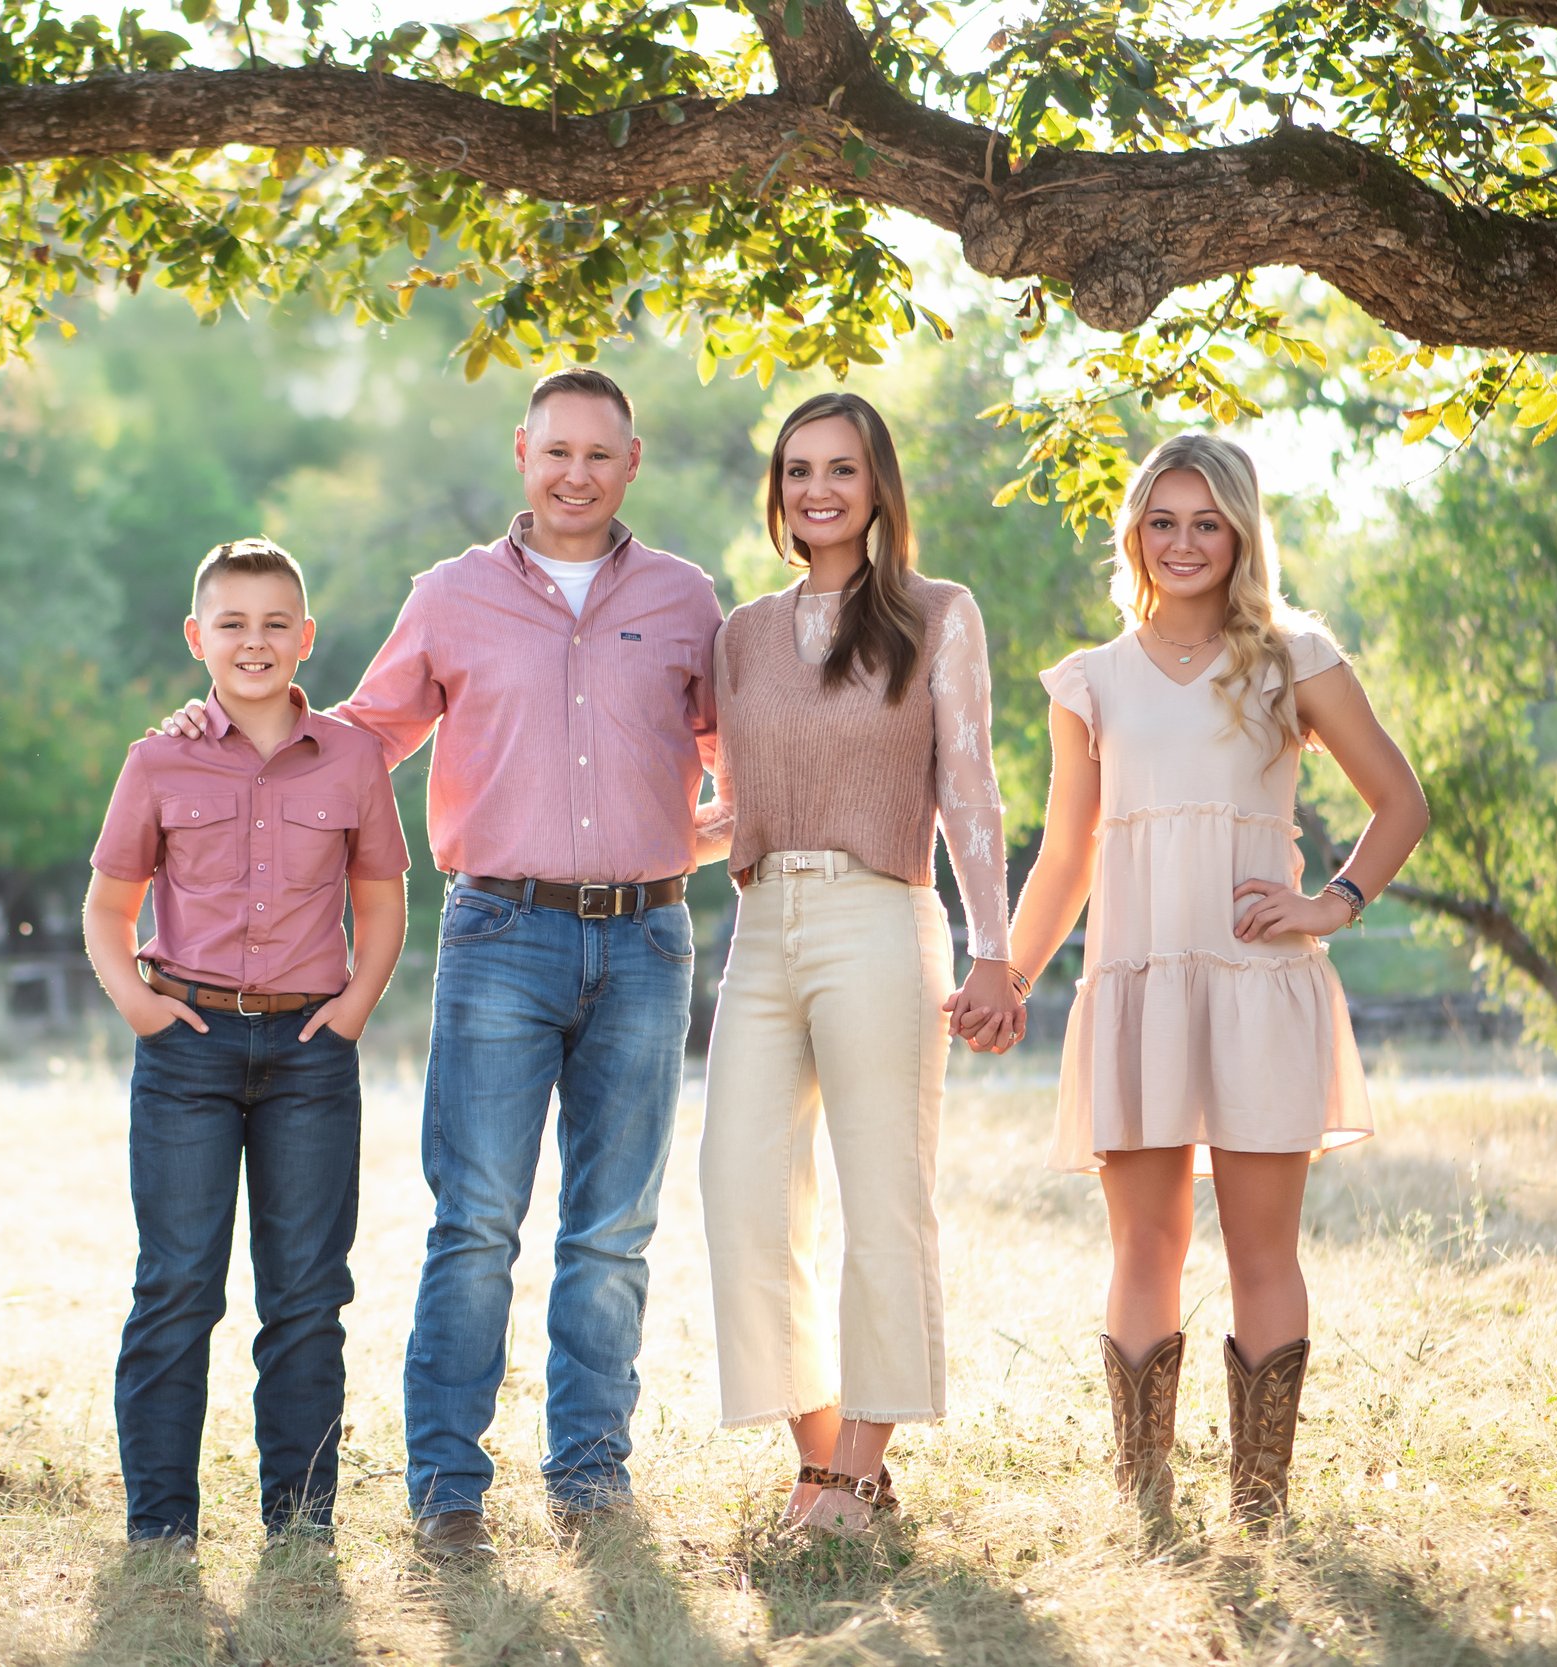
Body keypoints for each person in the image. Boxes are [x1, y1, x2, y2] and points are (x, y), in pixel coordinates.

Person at [164, 369, 722, 1564]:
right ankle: (447, 1491)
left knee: (613, 1227)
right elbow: (360, 737)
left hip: (647, 941)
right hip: (499, 936)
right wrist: (220, 730)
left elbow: (746, 751)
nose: (576, 473)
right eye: (556, 449)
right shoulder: (452, 595)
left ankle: (589, 1478)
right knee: (474, 1223)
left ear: (632, 462)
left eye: (600, 453)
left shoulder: (684, 599)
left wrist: (702, 834)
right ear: (522, 452)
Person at [1000, 434, 1427, 1527]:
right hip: (1137, 986)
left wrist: (1333, 900)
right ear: (1134, 533)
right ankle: (1144, 1500)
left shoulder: (1294, 658)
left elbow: (1401, 802)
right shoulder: (1090, 681)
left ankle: (1260, 1504)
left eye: (1206, 523)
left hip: (1255, 983)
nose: (1182, 543)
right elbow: (1066, 855)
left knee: (1259, 1248)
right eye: (1162, 521)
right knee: (1144, 1244)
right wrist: (1007, 972)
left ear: (1240, 534)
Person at [692, 391, 1023, 1538]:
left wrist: (994, 949)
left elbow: (968, 785)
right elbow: (730, 805)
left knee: (884, 1196)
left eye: (840, 468)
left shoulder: (937, 613)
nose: (817, 489)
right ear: (776, 490)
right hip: (760, 924)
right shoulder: (741, 633)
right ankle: (828, 1460)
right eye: (797, 469)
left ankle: (851, 1472)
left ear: (878, 484)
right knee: (737, 1190)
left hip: (880, 916)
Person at [84, 536, 411, 1553]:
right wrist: (141, 1008)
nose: (254, 641)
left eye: (275, 623)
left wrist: (353, 1009)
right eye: (232, 623)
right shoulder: (158, 758)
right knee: (178, 1282)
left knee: (307, 1294)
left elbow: (382, 901)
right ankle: (160, 1526)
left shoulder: (352, 758)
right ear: (198, 636)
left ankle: (301, 1524)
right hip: (186, 1050)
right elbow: (105, 907)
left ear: (306, 636)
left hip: (311, 1053)